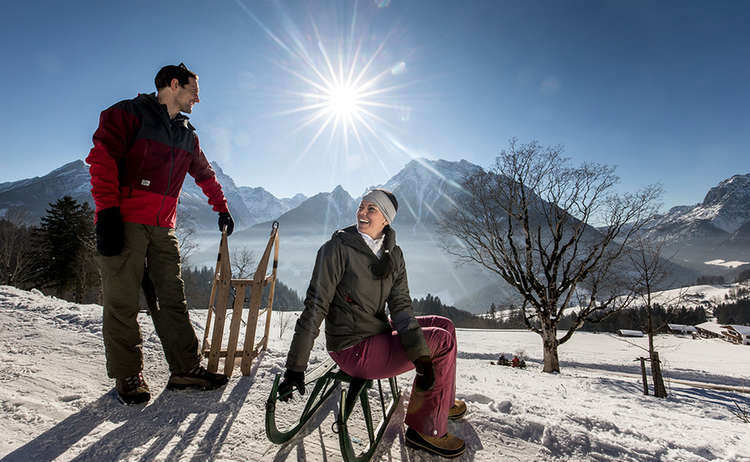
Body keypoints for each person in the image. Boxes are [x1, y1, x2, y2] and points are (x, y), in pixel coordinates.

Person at [278, 189, 466, 459]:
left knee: (444, 326)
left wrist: (420, 357)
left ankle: (440, 402)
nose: (362, 213)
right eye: (361, 206)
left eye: (371, 209)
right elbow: (315, 307)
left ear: (386, 220)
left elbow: (401, 308)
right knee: (441, 341)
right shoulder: (337, 250)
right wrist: (295, 367)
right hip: (352, 346)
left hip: (376, 331)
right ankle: (425, 430)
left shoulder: (393, 254)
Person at [86, 63, 234, 404]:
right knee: (122, 302)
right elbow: (102, 158)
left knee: (172, 299)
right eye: (194, 89)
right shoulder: (127, 114)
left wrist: (221, 208)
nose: (198, 97)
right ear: (173, 84)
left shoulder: (187, 134)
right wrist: (107, 212)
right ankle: (128, 374)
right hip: (124, 222)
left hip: (163, 228)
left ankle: (185, 369)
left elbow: (205, 174)